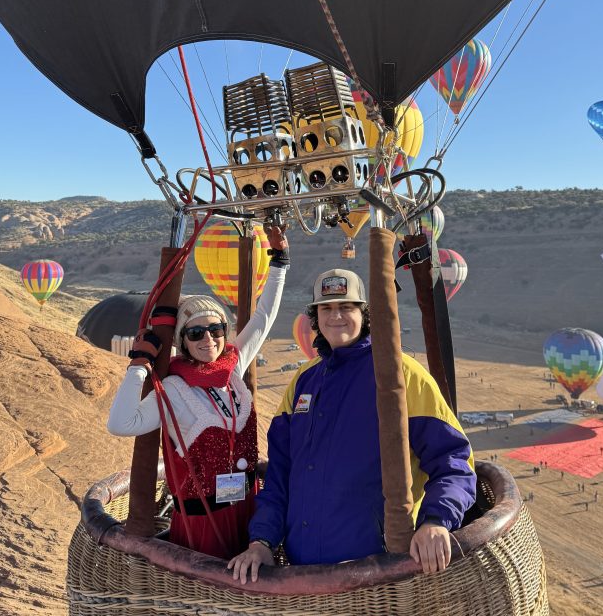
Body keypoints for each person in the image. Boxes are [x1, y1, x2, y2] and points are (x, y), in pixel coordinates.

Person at [228, 268, 476, 582]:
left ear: (364, 313)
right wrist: (261, 542)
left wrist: (436, 521)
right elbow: (280, 476)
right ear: (315, 316)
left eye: (347, 307)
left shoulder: (401, 374)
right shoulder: (303, 381)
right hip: (301, 575)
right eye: (326, 308)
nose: (336, 316)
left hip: (379, 573)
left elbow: (454, 460)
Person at [107, 225, 290, 560]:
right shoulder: (175, 388)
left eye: (216, 329)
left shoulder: (233, 367)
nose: (209, 339)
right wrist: (138, 366)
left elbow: (264, 317)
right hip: (204, 523)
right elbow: (121, 423)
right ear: (183, 341)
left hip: (248, 509)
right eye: (196, 332)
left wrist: (279, 261)